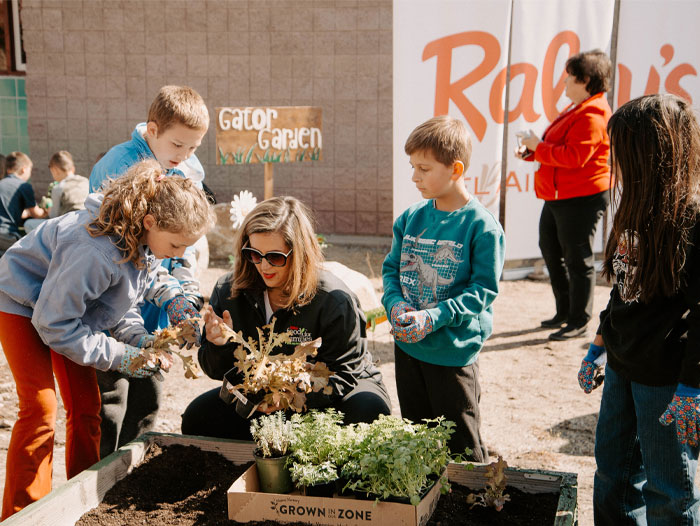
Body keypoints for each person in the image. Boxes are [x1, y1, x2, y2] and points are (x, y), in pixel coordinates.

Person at [0, 159, 213, 518]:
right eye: (176, 245)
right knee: (40, 409)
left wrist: (152, 328)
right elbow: (54, 324)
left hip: (65, 311)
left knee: (87, 407)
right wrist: (122, 355)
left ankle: (80, 502)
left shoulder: (141, 240)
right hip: (21, 301)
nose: (178, 255)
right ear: (150, 222)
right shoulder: (95, 250)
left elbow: (118, 301)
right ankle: (23, 514)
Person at [577, 94, 700, 524]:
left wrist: (692, 386)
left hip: (667, 382)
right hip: (621, 368)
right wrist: (599, 345)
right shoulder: (635, 206)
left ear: (654, 154)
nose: (615, 160)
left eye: (622, 150)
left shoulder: (692, 218)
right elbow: (623, 290)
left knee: (669, 491)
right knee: (613, 474)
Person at [181, 196, 392, 438]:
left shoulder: (334, 299)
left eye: (275, 257)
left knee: (367, 410)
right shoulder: (229, 291)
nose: (264, 266)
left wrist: (289, 398)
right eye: (254, 254)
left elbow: (344, 375)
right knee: (198, 418)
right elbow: (217, 371)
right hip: (264, 393)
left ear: (300, 253)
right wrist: (219, 345)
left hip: (331, 394)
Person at [89, 85, 209, 458]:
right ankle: (102, 474)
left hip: (158, 297)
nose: (185, 155)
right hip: (115, 299)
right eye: (178, 145)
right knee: (113, 397)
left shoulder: (186, 168)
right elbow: (120, 252)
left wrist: (186, 292)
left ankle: (135, 467)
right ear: (153, 130)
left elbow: (187, 241)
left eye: (193, 148)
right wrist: (170, 291)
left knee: (148, 393)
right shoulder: (118, 167)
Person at [382, 115, 505, 461]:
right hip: (408, 350)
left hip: (452, 355)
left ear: (456, 169)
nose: (414, 177)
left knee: (462, 449)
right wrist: (395, 305)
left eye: (424, 168)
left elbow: (483, 292)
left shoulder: (482, 227)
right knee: (417, 443)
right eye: (412, 167)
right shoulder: (410, 218)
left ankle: (471, 493)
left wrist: (433, 317)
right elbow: (391, 270)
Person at [517, 49, 612, 341]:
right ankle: (565, 312)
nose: (565, 82)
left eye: (570, 77)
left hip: (581, 196)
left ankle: (578, 320)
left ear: (586, 80)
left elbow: (575, 157)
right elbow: (560, 149)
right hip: (562, 195)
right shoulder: (580, 107)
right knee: (551, 249)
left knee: (577, 258)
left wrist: (538, 147)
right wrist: (533, 152)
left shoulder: (593, 113)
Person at [24, 150, 89, 233]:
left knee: (28, 224)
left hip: (69, 227)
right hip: (87, 222)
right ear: (72, 168)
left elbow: (53, 216)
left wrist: (47, 210)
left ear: (55, 170)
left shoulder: (59, 187)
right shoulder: (85, 181)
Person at [0, 152, 46, 254]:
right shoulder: (23, 186)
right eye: (30, 170)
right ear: (24, 169)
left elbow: (7, 210)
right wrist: (47, 210)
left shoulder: (2, 183)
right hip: (7, 235)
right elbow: (36, 214)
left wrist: (26, 213)